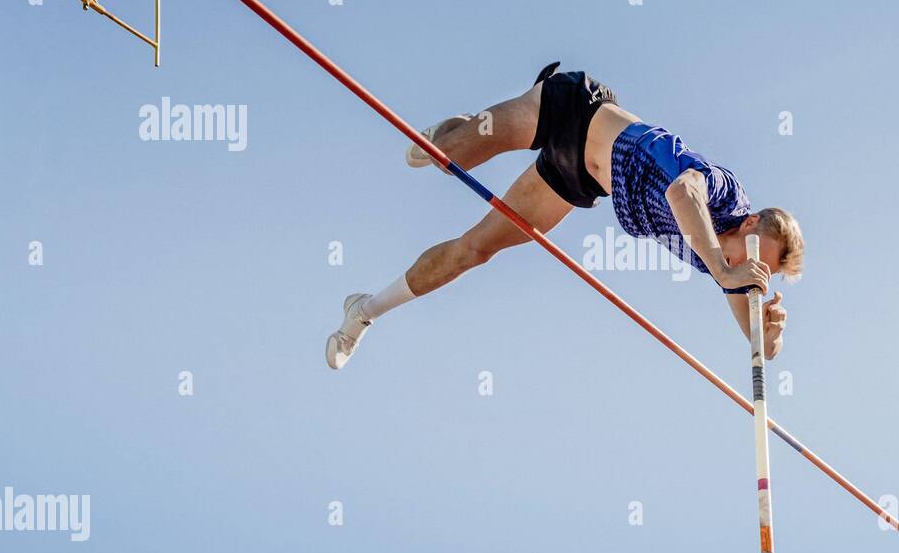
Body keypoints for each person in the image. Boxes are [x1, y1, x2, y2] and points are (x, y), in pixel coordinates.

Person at [326, 63, 803, 369]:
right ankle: (459, 129)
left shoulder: (725, 261)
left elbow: (747, 316)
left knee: (476, 250)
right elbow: (683, 193)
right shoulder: (722, 195)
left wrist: (767, 334)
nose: (752, 269)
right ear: (748, 223)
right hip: (574, 110)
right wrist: (725, 269)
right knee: (446, 156)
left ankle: (364, 310)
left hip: (577, 178)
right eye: (758, 256)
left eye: (765, 270)